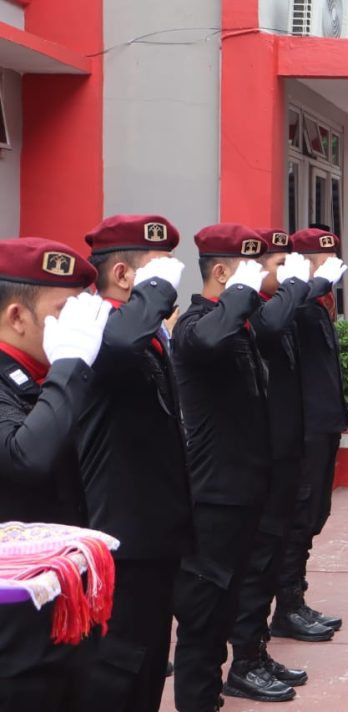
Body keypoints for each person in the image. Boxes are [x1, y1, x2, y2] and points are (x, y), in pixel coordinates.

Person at [77, 215, 193, 712]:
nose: (169, 281)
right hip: (121, 534)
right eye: (157, 270)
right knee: (118, 664)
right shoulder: (97, 327)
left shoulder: (139, 330)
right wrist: (154, 296)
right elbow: (119, 348)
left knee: (148, 658)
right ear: (125, 276)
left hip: (155, 528)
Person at [0, 238, 109, 711]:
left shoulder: (47, 377)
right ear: (17, 317)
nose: (78, 326)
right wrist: (69, 366)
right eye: (63, 311)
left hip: (58, 603)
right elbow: (26, 459)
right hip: (14, 627)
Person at [224, 230, 333, 701]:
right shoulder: (252, 310)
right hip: (264, 451)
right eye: (277, 263)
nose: (285, 271)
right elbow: (269, 329)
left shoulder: (284, 304)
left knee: (294, 527)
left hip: (292, 439)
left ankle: (259, 646)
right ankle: (246, 654)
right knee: (262, 550)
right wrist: (300, 287)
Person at [170, 225, 272, 712]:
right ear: (222, 272)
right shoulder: (195, 325)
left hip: (245, 491)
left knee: (229, 607)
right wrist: (239, 295)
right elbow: (208, 342)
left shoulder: (239, 325)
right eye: (248, 270)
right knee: (203, 619)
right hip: (213, 497)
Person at [269, 228, 348, 643]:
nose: (328, 264)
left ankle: (296, 598)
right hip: (303, 429)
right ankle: (286, 605)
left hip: (323, 423)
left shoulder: (319, 302)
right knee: (298, 517)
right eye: (319, 258)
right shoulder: (294, 303)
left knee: (315, 514)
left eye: (331, 255)